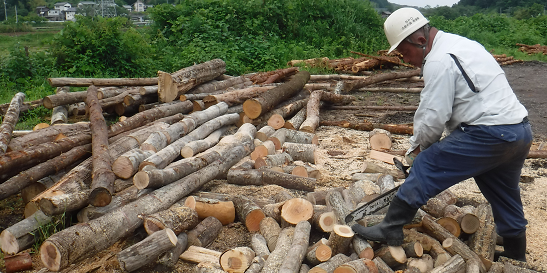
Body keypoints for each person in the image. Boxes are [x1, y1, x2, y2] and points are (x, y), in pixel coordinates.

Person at [351, 7, 532, 262]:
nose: (406, 60)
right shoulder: (463, 44)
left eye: (405, 52)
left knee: (427, 163)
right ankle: (516, 259)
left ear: (421, 40)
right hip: (518, 131)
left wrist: (417, 151)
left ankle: (390, 226)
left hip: (489, 133)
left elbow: (433, 115)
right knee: (504, 194)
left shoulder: (438, 60)